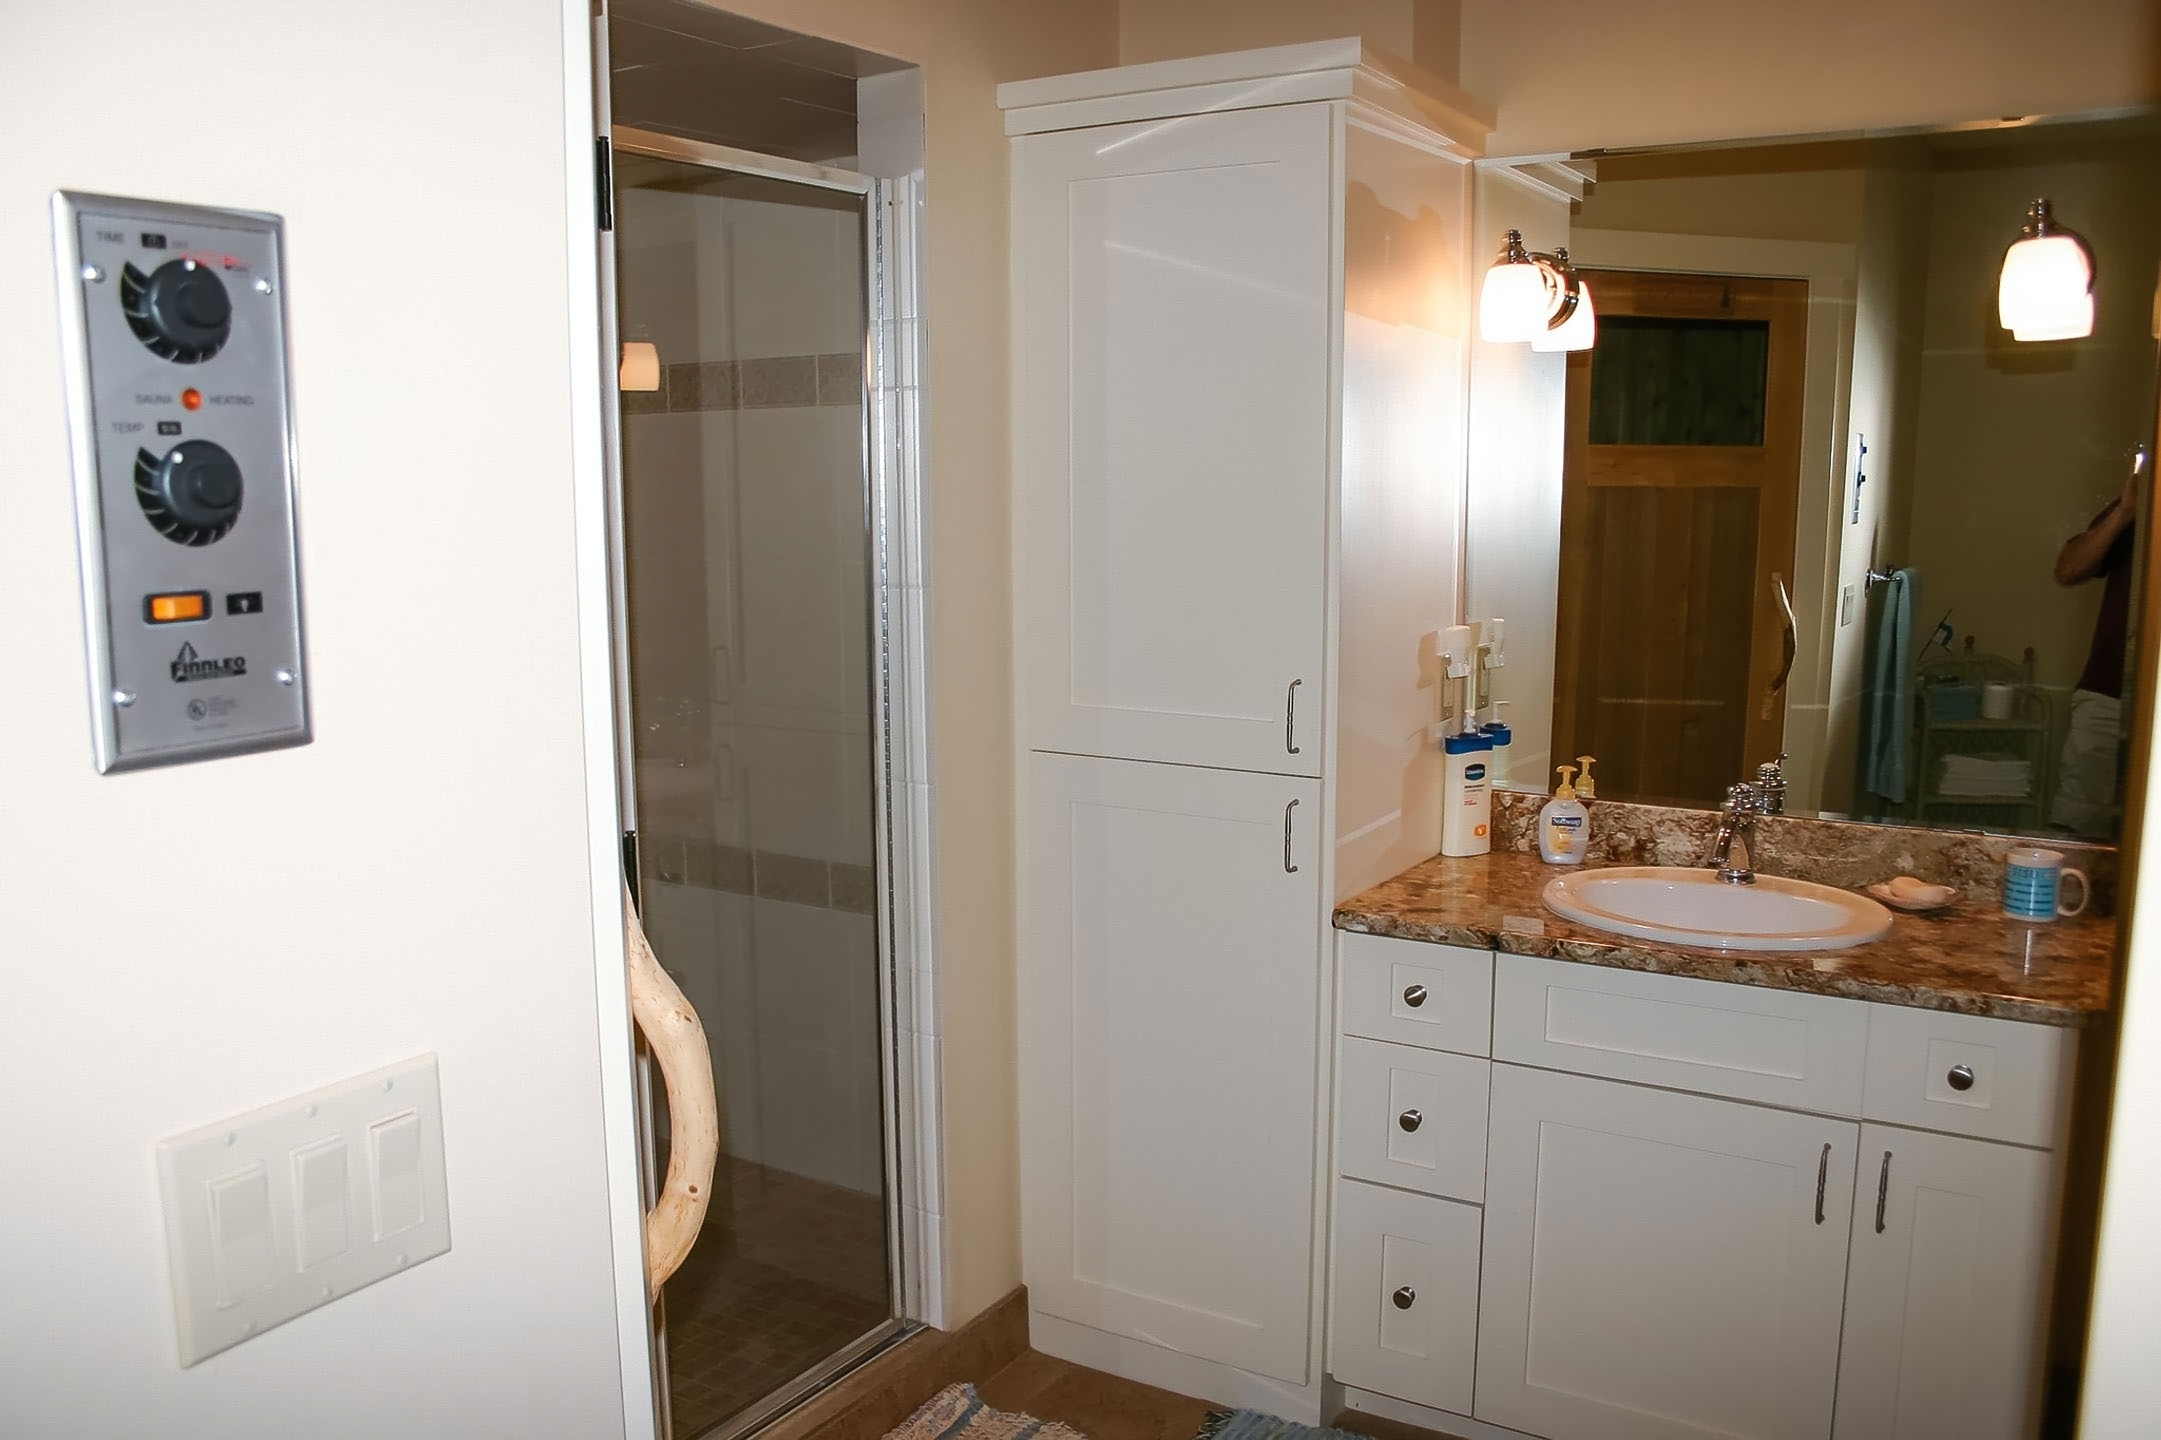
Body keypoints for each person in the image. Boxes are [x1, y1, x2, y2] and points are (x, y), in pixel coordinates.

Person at [2050, 449, 2145, 834]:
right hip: (2108, 693)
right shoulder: (2142, 508)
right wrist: (2125, 512)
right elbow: (2067, 570)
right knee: (2080, 824)